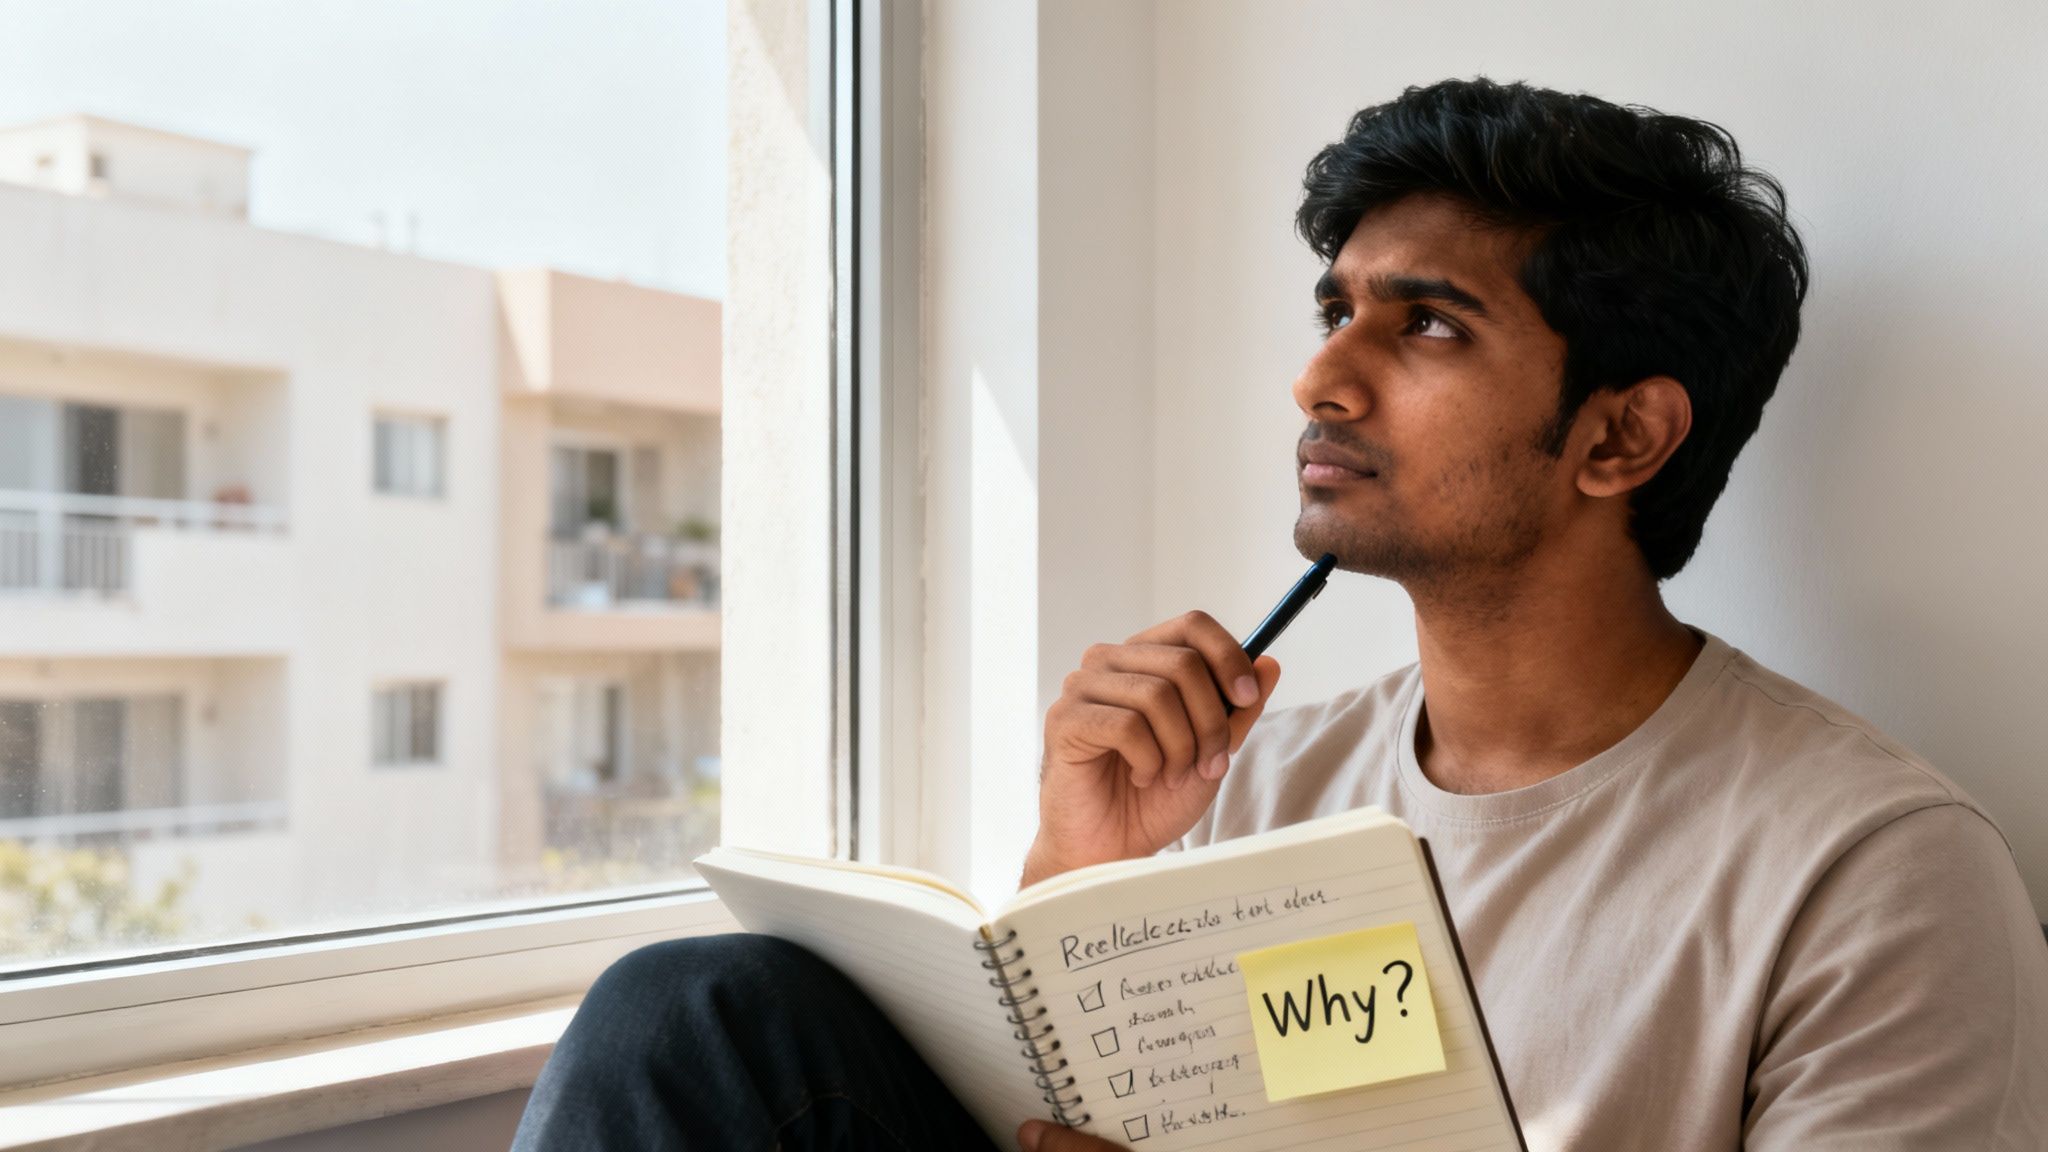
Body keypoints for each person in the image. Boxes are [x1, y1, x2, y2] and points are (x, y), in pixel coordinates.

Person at [511, 77, 2048, 1152]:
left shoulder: (1872, 871)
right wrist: (1078, 875)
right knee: (698, 1013)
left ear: (1618, 438)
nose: (1324, 375)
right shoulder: (1259, 784)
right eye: (1338, 310)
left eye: (1428, 321)